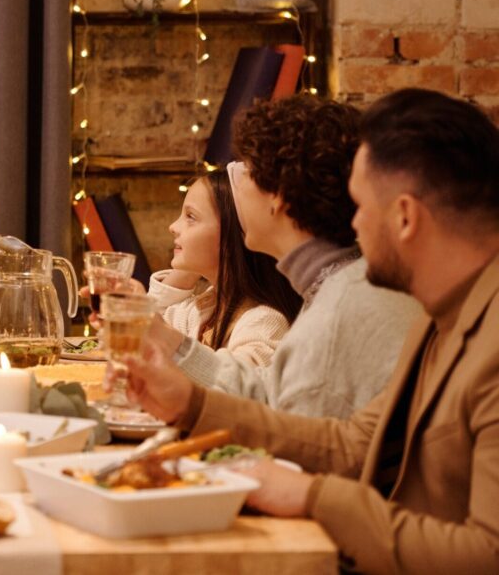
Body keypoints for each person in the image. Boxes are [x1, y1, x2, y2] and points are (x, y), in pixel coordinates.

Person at [122, 88, 499, 573]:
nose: (352, 225)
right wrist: (190, 404)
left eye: (361, 206)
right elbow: (353, 442)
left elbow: (488, 555)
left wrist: (312, 496)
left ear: (405, 217)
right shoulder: (439, 311)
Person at [124, 95, 421, 418]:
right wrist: (167, 345)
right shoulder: (335, 286)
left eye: (247, 174)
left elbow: (296, 431)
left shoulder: (339, 308)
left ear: (277, 197)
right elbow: (269, 391)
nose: (236, 185)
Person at [147, 170, 302, 368]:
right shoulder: (208, 307)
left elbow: (236, 384)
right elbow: (155, 323)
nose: (173, 226)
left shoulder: (265, 320)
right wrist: (189, 265)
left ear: (231, 238)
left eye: (191, 216)